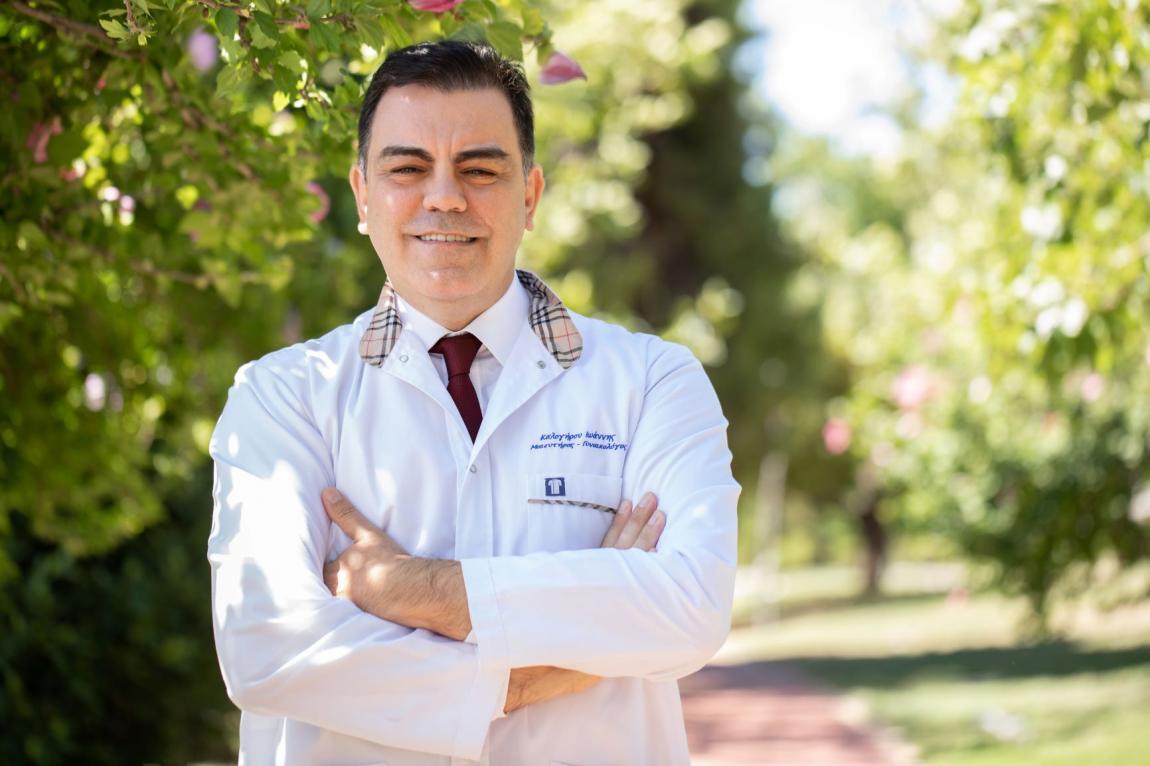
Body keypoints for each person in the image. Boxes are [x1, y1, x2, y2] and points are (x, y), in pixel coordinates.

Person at [208, 40, 739, 765]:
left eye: (480, 169)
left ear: (530, 196)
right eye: (407, 168)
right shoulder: (282, 396)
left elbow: (691, 604)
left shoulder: (652, 381)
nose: (444, 197)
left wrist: (414, 591)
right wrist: (536, 674)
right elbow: (265, 644)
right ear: (362, 196)